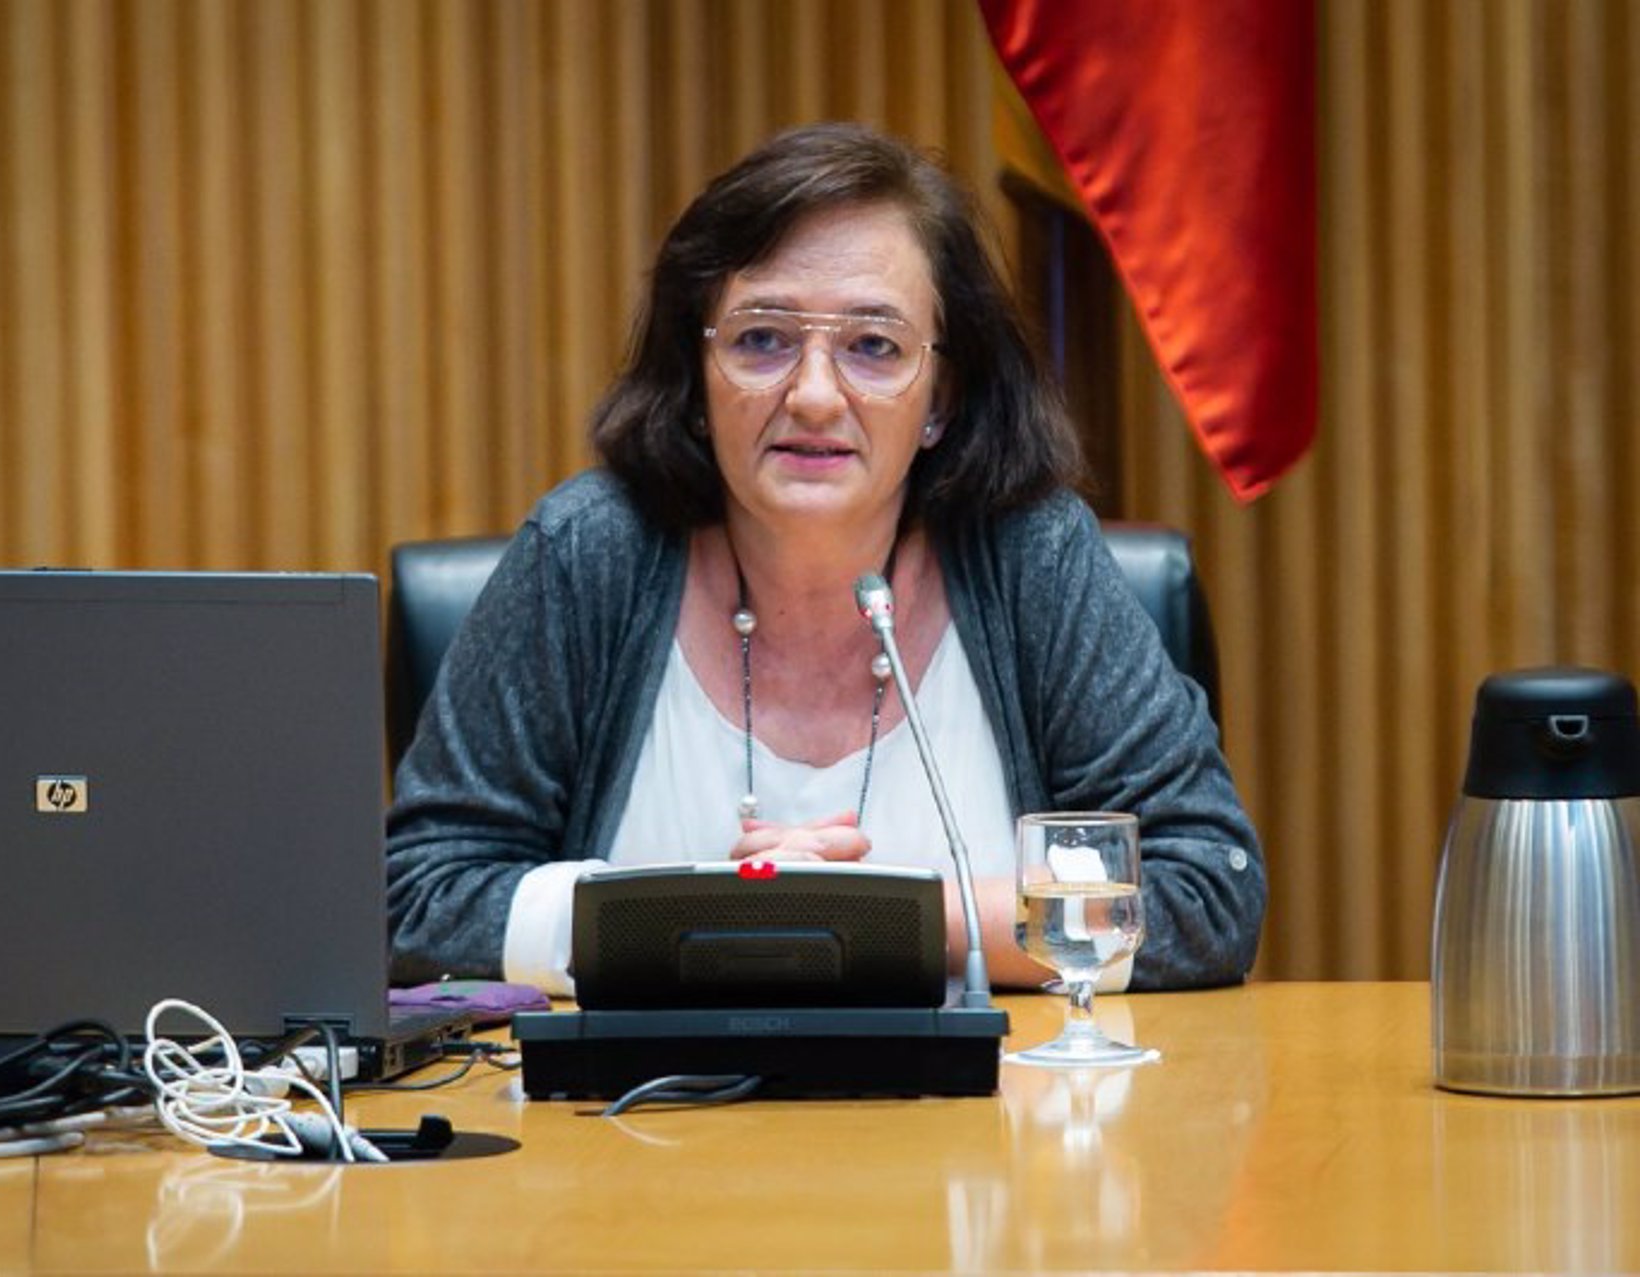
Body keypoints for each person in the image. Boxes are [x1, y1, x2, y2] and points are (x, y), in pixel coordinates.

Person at [387, 122, 1264, 995]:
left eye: (873, 347)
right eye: (762, 339)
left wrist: (879, 918)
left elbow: (1207, 894)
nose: (812, 395)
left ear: (940, 399)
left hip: (982, 1130)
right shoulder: (588, 556)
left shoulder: (1029, 555)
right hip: (639, 1125)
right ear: (696, 379)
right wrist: (710, 912)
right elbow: (415, 903)